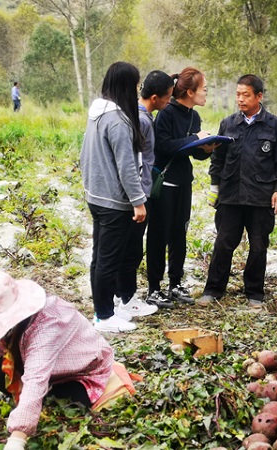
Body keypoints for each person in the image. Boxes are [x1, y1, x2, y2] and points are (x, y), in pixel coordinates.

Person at [0, 269, 121, 450]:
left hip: (79, 370)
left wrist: (18, 438)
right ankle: (30, 405)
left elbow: (36, 378)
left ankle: (34, 406)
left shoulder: (47, 323)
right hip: (30, 361)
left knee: (71, 403)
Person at [198, 74, 277, 307]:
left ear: (259, 96)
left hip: (261, 196)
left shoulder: (275, 125)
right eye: (238, 94)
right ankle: (213, 289)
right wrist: (214, 186)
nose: (240, 99)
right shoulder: (228, 123)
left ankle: (254, 293)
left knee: (259, 245)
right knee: (223, 243)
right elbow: (218, 160)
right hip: (231, 194)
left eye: (246, 95)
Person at [80, 61, 152, 333]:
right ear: (126, 85)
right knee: (108, 259)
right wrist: (138, 200)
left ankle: (103, 312)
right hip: (113, 202)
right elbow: (127, 166)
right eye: (135, 84)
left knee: (100, 257)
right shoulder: (118, 120)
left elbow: (84, 156)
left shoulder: (97, 114)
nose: (137, 90)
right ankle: (104, 316)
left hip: (96, 197)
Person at [145, 67, 217, 308]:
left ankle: (175, 283)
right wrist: (195, 139)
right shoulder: (166, 113)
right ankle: (154, 287)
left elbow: (193, 153)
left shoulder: (194, 116)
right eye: (204, 89)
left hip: (184, 182)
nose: (206, 93)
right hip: (164, 184)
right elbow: (163, 147)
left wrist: (205, 149)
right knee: (158, 236)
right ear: (189, 91)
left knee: (179, 235)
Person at [112, 70, 174, 316]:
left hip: (133, 194)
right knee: (132, 249)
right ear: (156, 97)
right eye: (168, 97)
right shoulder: (144, 122)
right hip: (138, 195)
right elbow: (137, 163)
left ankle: (121, 296)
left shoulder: (132, 116)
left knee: (128, 247)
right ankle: (126, 298)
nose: (169, 102)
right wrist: (139, 199)